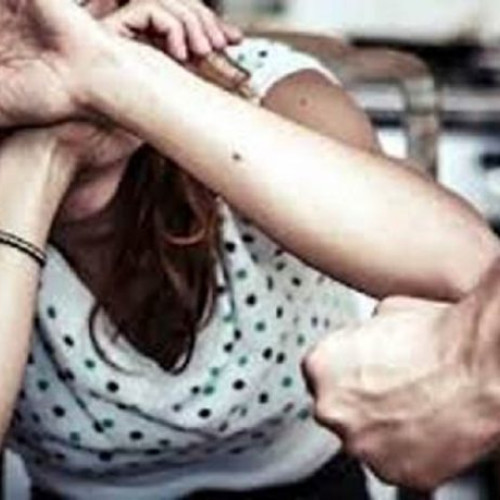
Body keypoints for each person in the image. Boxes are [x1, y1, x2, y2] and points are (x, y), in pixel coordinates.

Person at [0, 0, 498, 498]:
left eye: (71, 11)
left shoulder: (247, 81)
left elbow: (467, 265)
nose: (42, 40)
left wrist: (116, 80)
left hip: (310, 483)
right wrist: (40, 159)